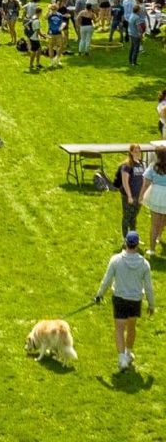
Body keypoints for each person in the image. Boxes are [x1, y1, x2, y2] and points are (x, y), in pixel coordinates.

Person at [94, 231, 155, 372]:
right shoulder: (144, 264)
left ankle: (122, 358)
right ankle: (128, 352)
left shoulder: (116, 260)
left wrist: (99, 295)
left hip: (120, 298)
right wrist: (151, 304)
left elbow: (107, 280)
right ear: (137, 245)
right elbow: (149, 287)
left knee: (120, 328)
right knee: (131, 327)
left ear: (126, 243)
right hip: (135, 300)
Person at [139, 146, 166, 256]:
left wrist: (141, 195)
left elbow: (146, 183)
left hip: (156, 195)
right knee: (163, 220)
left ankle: (152, 250)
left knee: (154, 224)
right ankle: (159, 236)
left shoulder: (153, 167)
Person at [118, 144, 145, 243]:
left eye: (139, 151)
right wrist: (129, 196)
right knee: (127, 217)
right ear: (131, 152)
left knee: (134, 217)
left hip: (138, 195)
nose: (138, 153)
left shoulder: (141, 164)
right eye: (136, 151)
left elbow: (143, 180)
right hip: (128, 195)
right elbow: (125, 182)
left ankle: (133, 238)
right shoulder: (127, 165)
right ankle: (125, 238)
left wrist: (142, 195)